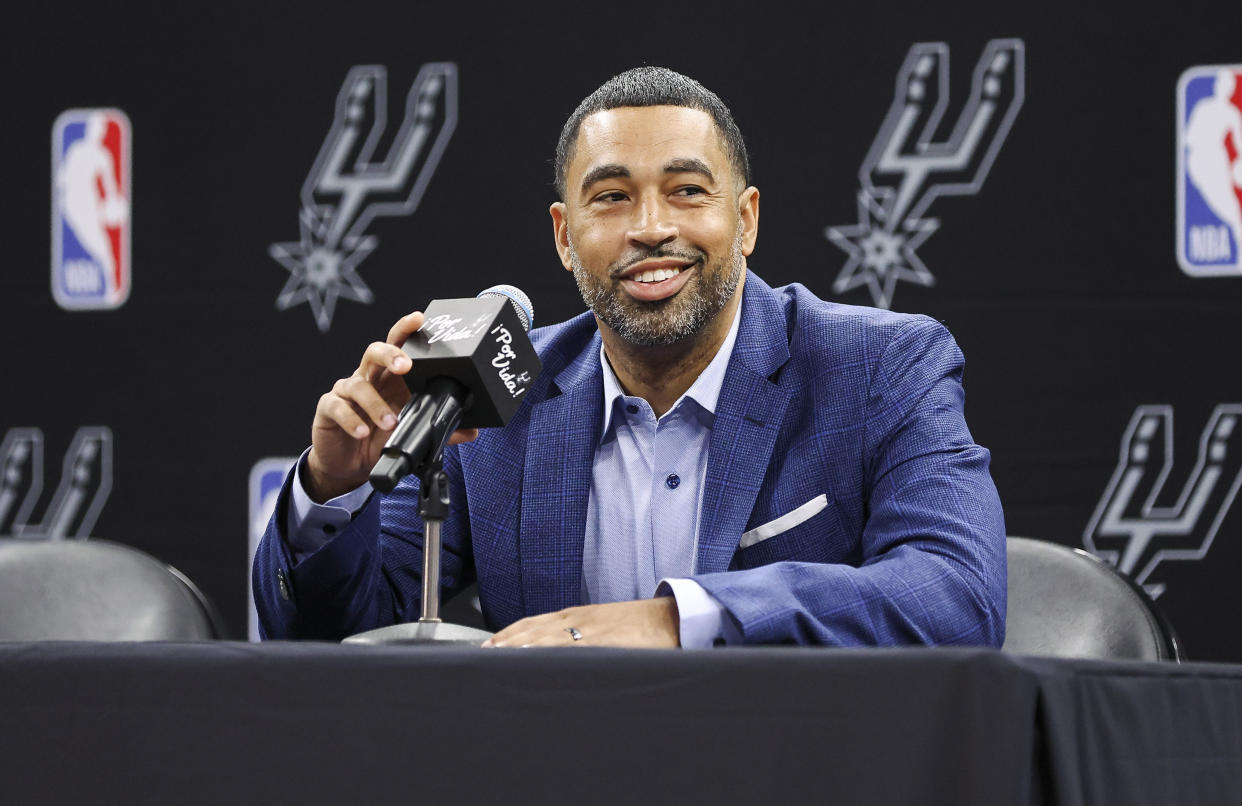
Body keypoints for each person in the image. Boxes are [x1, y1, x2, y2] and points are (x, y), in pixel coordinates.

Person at [253, 67, 1006, 648]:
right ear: (563, 236)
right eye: (611, 197)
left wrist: (677, 621)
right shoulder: (495, 397)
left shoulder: (880, 367)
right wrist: (334, 488)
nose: (650, 228)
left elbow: (956, 596)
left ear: (744, 220)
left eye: (686, 191)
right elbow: (330, 641)